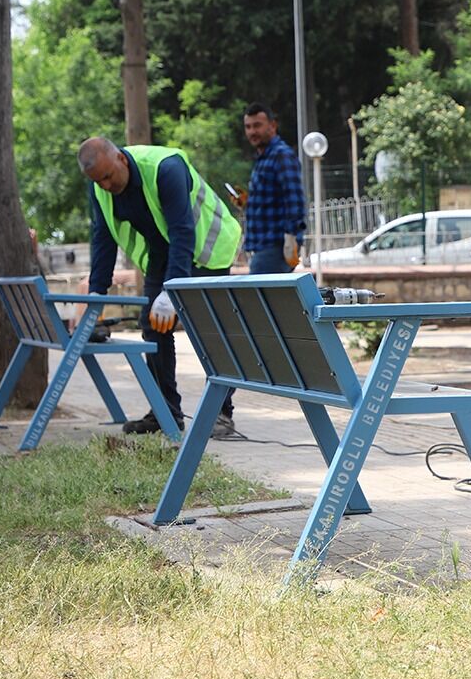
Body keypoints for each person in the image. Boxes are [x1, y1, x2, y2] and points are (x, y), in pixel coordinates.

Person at [78, 138, 242, 439]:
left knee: (209, 330)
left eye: (107, 177)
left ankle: (223, 413)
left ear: (122, 160)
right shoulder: (99, 188)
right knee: (153, 328)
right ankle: (165, 412)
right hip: (162, 252)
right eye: (97, 181)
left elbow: (182, 230)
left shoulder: (165, 168)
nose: (104, 186)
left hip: (206, 247)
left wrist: (172, 291)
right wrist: (96, 294)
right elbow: (102, 239)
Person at [242, 103, 307, 273]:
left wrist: (291, 239)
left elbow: (295, 200)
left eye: (257, 125)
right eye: (248, 127)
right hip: (264, 246)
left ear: (272, 126)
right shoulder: (263, 158)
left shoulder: (281, 155)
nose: (252, 132)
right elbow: (271, 200)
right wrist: (247, 203)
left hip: (276, 247)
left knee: (257, 298)